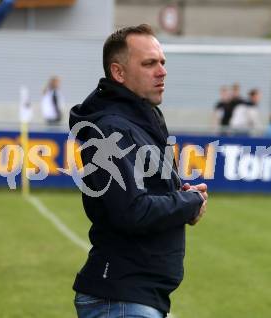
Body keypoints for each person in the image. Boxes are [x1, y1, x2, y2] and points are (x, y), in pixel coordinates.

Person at [68, 24, 208, 318]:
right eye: (149, 63)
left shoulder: (140, 121)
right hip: (121, 299)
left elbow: (149, 194)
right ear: (119, 73)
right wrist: (189, 202)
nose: (162, 71)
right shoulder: (111, 130)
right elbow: (132, 210)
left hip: (136, 297)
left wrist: (184, 197)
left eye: (162, 62)